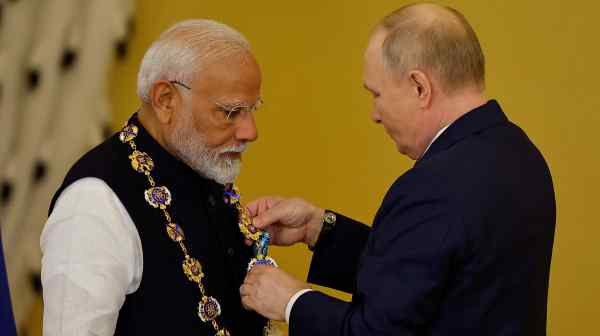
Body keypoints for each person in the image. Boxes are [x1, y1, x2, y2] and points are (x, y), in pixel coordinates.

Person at [240, 3, 556, 335]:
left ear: (420, 87)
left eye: (376, 94)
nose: (374, 114)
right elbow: (428, 277)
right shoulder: (521, 153)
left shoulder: (432, 185)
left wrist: (291, 300)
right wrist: (318, 228)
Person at [41, 19, 266, 335]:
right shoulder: (94, 200)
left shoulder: (199, 163)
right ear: (165, 100)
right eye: (230, 113)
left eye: (252, 109)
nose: (250, 132)